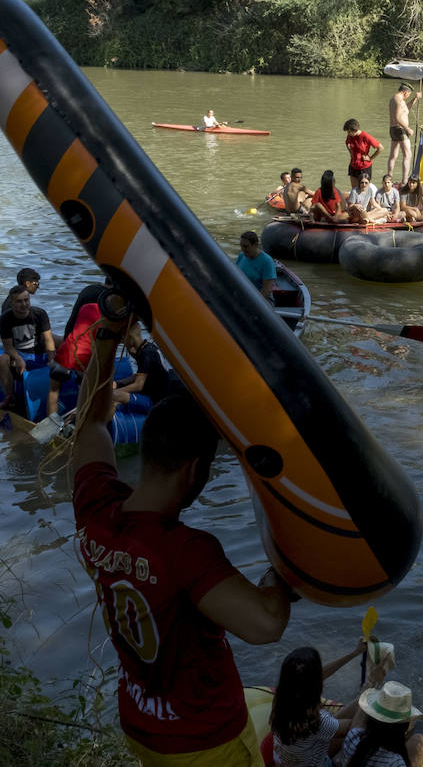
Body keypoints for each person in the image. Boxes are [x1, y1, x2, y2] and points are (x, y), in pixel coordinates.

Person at [71, 309, 295, 765]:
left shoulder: (95, 506)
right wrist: (285, 571)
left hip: (139, 723)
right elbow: (266, 624)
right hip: (205, 743)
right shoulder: (185, 551)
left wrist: (110, 333)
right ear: (195, 470)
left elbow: (92, 423)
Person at [268, 642, 366, 767]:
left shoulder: (279, 701)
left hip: (290, 760)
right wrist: (367, 693)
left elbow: (317, 676)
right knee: (358, 728)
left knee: (350, 709)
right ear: (316, 686)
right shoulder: (317, 722)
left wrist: (354, 653)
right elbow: (353, 728)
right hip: (317, 763)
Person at [340, 681, 423, 767]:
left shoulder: (353, 738)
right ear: (404, 728)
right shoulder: (395, 762)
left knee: (419, 741)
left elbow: (360, 721)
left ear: (371, 718)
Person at [0, 285, 54, 411]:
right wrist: (18, 358)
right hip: (19, 354)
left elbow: (49, 340)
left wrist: (51, 360)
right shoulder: (5, 319)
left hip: (39, 354)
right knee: (2, 360)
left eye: (26, 300)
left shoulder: (39, 314)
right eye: (19, 301)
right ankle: (10, 397)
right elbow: (8, 347)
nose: (24, 304)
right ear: (11, 302)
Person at [46, 296, 103, 418]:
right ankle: (80, 425)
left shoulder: (85, 307)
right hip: (85, 357)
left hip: (67, 350)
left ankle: (51, 427)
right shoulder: (108, 316)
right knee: (85, 395)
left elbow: (72, 326)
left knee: (54, 389)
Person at [112, 322, 169, 415]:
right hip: (148, 396)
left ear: (130, 336)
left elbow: (138, 385)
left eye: (123, 339)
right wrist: (117, 383)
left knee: (114, 395)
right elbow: (138, 376)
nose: (122, 342)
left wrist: (116, 391)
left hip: (153, 402)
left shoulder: (146, 355)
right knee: (115, 393)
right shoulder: (147, 347)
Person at [387, 82, 423, 183]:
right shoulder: (399, 100)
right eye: (409, 95)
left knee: (393, 155)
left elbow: (405, 109)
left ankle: (389, 177)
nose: (408, 97)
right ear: (405, 92)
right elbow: (398, 117)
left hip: (393, 129)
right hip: (400, 129)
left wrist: (415, 98)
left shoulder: (394, 99)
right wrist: (407, 129)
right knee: (408, 155)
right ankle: (404, 181)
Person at [235, 230, 277, 302]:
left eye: (246, 246)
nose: (242, 249)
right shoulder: (242, 256)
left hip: (261, 302)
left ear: (256, 245)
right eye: (241, 246)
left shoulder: (267, 261)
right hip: (242, 297)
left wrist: (251, 303)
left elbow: (267, 290)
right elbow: (235, 277)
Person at [344, 118, 383, 190]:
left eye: (349, 132)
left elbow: (380, 148)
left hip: (364, 167)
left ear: (354, 130)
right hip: (353, 165)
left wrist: (370, 158)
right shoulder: (350, 136)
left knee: (364, 189)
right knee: (354, 189)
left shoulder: (365, 136)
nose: (348, 134)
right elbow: (346, 143)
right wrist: (350, 153)